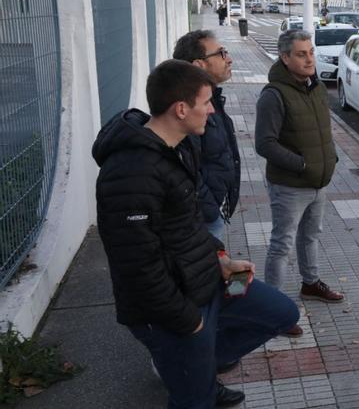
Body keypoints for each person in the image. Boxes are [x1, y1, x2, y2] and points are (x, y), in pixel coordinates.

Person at [93, 59, 303, 409]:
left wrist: (222, 259)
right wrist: (189, 323)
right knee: (194, 402)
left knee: (282, 314)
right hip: (172, 309)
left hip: (207, 281)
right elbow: (136, 266)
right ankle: (194, 374)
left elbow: (188, 226)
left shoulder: (179, 148)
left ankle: (200, 368)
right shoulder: (131, 172)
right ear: (180, 109)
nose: (211, 111)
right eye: (206, 103)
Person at [255, 30, 344, 303]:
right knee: (282, 244)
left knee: (310, 237)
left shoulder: (315, 86)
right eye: (301, 54)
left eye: (311, 52)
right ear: (285, 57)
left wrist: (331, 158)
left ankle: (310, 284)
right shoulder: (274, 95)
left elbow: (321, 131)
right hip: (290, 185)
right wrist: (303, 164)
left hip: (318, 182)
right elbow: (264, 144)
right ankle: (274, 305)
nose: (309, 60)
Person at [172, 30, 240, 241]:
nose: (228, 59)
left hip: (213, 211)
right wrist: (211, 210)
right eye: (221, 53)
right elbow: (185, 170)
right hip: (205, 219)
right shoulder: (188, 108)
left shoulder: (210, 98)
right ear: (199, 65)